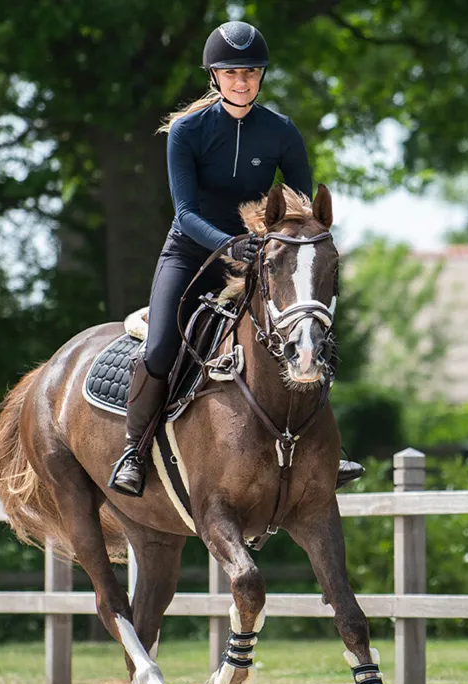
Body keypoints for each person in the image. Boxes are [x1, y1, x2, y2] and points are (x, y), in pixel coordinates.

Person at [110, 20, 362, 497]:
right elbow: (185, 214)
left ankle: (328, 448)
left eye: (249, 72)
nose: (241, 81)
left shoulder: (281, 132)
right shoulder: (187, 131)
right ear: (214, 76)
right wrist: (228, 244)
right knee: (160, 345)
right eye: (231, 73)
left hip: (260, 256)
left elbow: (300, 208)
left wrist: (276, 245)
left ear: (261, 76)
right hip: (192, 253)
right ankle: (133, 450)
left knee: (308, 329)